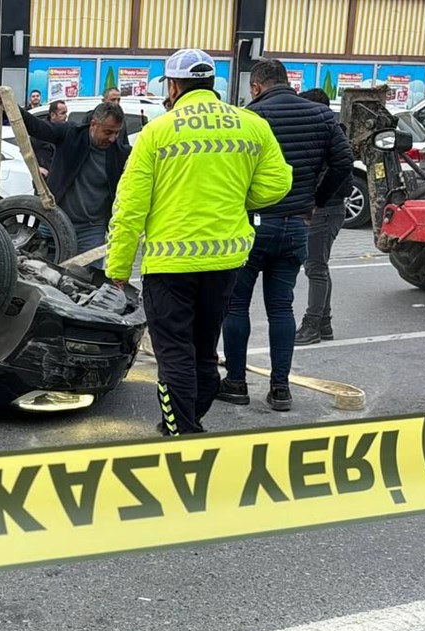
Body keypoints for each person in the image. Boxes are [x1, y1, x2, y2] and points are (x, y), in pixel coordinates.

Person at [105, 48, 293, 436]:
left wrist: (118, 269)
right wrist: (237, 198)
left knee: (174, 354)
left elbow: (129, 208)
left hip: (170, 265)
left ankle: (182, 433)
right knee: (205, 350)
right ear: (212, 84)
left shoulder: (158, 132)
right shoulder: (251, 124)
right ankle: (194, 422)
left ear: (173, 87)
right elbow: (278, 182)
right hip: (225, 260)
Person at [217, 58, 353, 411]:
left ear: (257, 87)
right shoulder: (321, 116)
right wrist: (315, 200)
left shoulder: (249, 117)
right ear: (287, 81)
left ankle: (236, 383)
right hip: (296, 224)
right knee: (281, 307)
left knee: (236, 306)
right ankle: (280, 389)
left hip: (251, 224)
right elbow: (343, 161)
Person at [0, 91, 131, 271]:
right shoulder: (70, 134)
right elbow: (36, 127)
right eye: (108, 132)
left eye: (117, 133)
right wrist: (8, 106)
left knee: (87, 281)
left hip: (91, 231)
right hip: (54, 223)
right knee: (41, 275)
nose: (113, 138)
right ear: (93, 124)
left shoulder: (120, 153)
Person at [295, 87, 351, 346]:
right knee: (317, 266)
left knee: (315, 267)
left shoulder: (330, 136)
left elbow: (340, 175)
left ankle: (312, 323)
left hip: (326, 208)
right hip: (327, 207)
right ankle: (323, 322)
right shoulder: (330, 132)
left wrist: (316, 200)